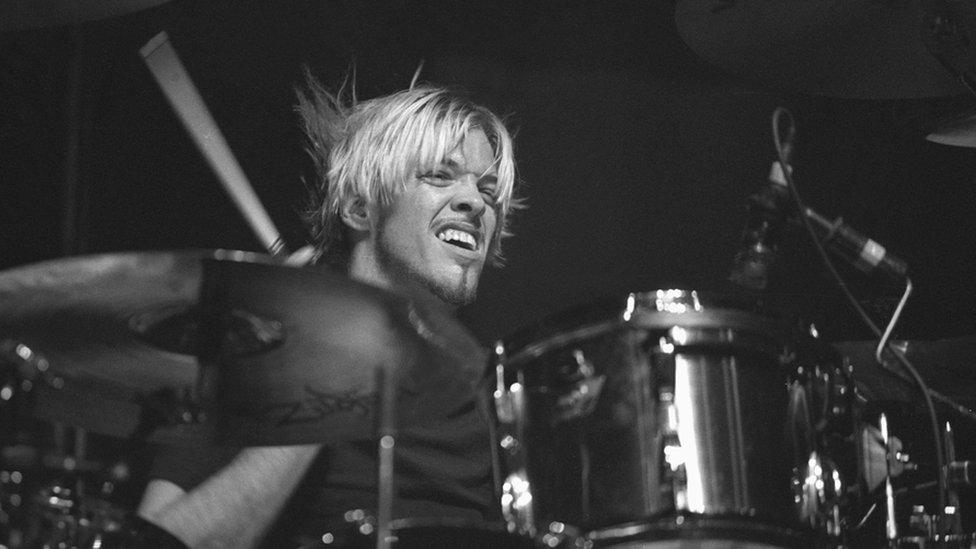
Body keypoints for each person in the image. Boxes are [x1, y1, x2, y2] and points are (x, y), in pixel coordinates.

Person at [136, 74, 521, 548]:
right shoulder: (254, 352)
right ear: (360, 208)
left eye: (487, 189)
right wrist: (320, 384)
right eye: (439, 175)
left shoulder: (500, 391)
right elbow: (157, 541)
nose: (475, 202)